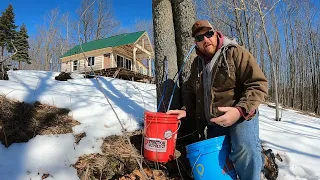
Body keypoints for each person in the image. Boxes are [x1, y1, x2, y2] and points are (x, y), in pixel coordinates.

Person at [167, 20, 275, 180]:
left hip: (242, 115)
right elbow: (191, 90)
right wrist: (185, 110)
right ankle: (262, 158)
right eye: (199, 38)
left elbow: (258, 84)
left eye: (208, 34)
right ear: (195, 43)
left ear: (216, 33)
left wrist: (239, 111)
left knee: (243, 148)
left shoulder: (235, 53)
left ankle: (257, 163)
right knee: (220, 159)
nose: (205, 40)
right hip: (216, 121)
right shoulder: (196, 64)